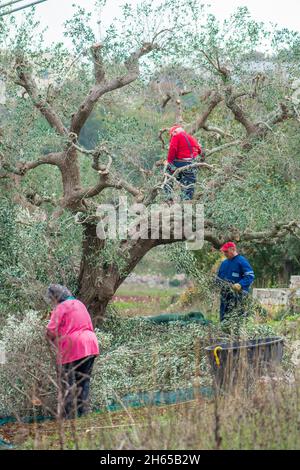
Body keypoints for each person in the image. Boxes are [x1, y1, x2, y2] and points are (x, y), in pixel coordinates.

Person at [46, 284, 99, 419]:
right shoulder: (79, 303)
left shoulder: (60, 308)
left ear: (54, 297)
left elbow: (50, 331)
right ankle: (83, 414)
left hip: (73, 347)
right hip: (90, 343)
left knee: (67, 383)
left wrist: (49, 342)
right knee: (84, 381)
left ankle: (69, 416)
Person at [164, 125, 205, 201]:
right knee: (189, 186)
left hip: (180, 163)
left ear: (174, 132)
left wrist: (169, 162)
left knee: (167, 177)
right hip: (191, 164)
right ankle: (186, 202)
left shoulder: (176, 136)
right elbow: (199, 149)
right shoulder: (189, 136)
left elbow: (172, 149)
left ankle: (168, 198)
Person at [216, 242, 255, 322]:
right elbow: (219, 278)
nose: (224, 253)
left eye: (226, 251)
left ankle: (237, 333)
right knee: (224, 318)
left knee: (237, 319)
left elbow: (250, 276)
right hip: (225, 296)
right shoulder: (224, 263)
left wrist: (240, 284)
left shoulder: (241, 261)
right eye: (224, 251)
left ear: (233, 249)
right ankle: (224, 332)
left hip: (238, 297)